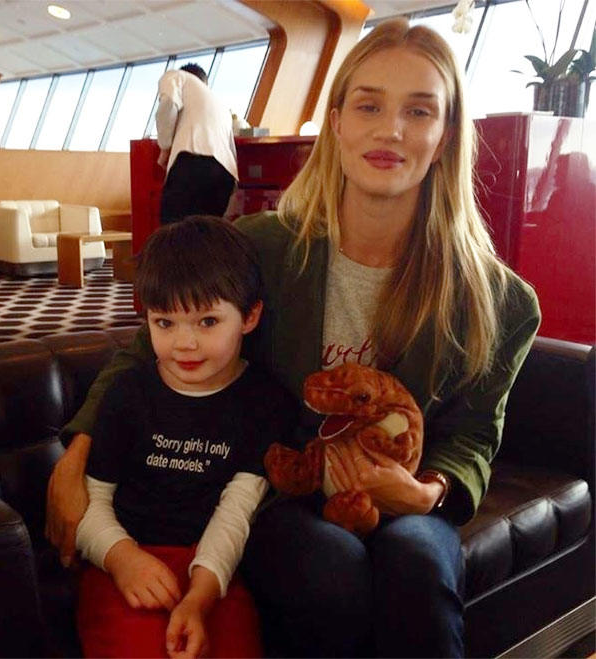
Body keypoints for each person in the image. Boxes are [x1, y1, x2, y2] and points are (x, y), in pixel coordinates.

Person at [46, 17, 541, 658]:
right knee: (326, 567)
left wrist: (427, 492)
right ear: (336, 122)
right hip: (286, 485)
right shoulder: (262, 248)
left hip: (404, 493)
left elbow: (474, 435)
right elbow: (148, 349)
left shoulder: (499, 301)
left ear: (444, 135)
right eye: (369, 106)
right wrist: (75, 459)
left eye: (418, 111)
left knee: (419, 565)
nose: (390, 130)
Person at [74, 216, 298, 658]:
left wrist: (200, 595)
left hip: (214, 570)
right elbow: (90, 500)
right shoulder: (127, 393)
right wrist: (122, 558)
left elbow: (237, 511)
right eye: (165, 323)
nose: (184, 343)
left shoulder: (266, 402)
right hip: (120, 560)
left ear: (250, 316)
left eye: (207, 321)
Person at [156, 64, 238, 223]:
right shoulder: (221, 106)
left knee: (174, 230)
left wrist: (164, 148)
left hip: (193, 163)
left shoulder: (176, 75)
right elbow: (231, 149)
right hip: (225, 175)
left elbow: (168, 105)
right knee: (207, 232)